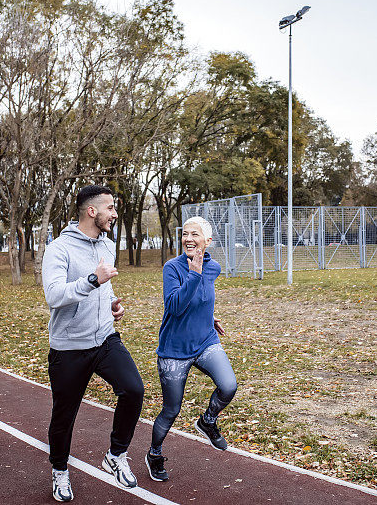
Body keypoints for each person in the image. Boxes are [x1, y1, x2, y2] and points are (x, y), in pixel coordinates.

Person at [42, 185, 144, 502]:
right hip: (69, 346)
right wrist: (91, 280)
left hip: (104, 339)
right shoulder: (59, 249)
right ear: (92, 211)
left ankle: (116, 455)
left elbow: (103, 287)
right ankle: (60, 472)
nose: (114, 214)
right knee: (64, 416)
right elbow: (54, 295)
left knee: (134, 389)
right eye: (110, 208)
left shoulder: (108, 246)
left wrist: (112, 303)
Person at [144, 216, 237, 482]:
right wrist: (193, 274)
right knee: (171, 410)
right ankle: (154, 454)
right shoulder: (172, 268)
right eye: (185, 234)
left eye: (195, 234)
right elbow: (174, 306)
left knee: (228, 386)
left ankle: (207, 421)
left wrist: (209, 317)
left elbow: (203, 298)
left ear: (208, 241)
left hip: (205, 340)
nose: (188, 239)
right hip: (175, 349)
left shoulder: (214, 267)